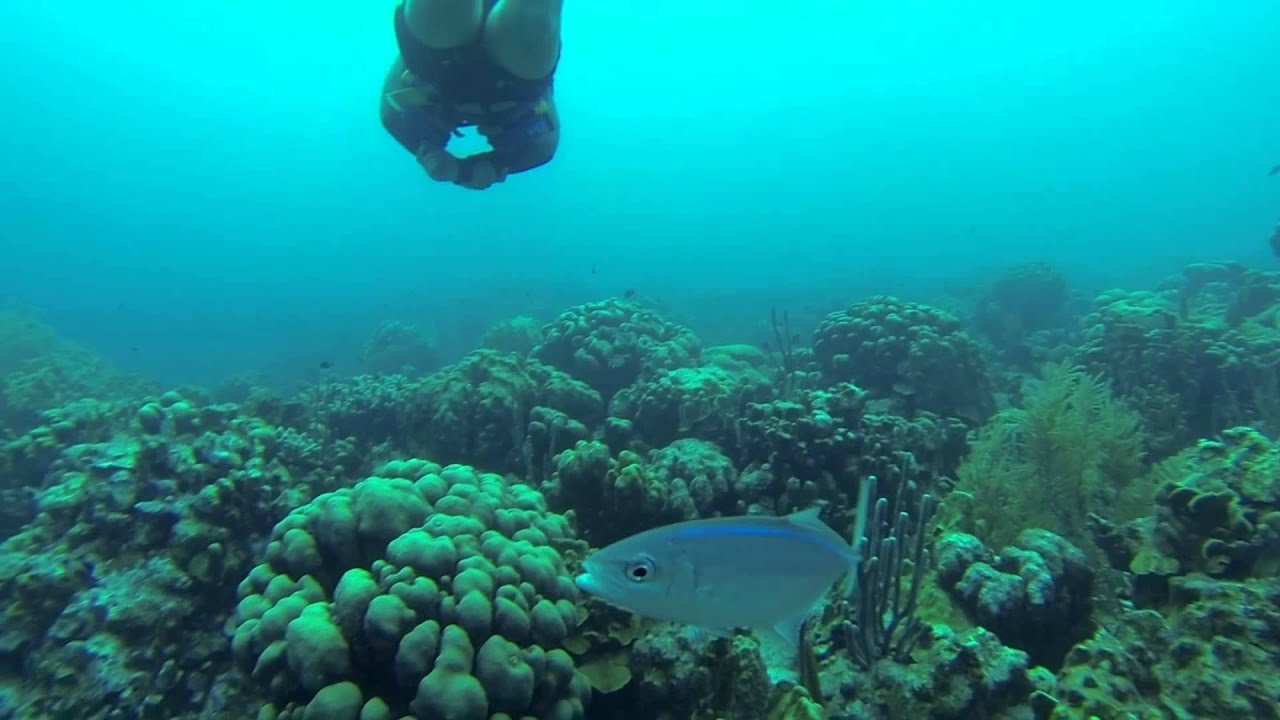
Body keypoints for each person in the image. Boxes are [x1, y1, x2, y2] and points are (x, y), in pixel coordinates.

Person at [380, 0, 563, 190]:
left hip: (448, 68)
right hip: (495, 79)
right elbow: (546, 145)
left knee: (533, 18)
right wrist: (468, 170)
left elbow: (390, 114)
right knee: (533, 18)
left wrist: (463, 171)